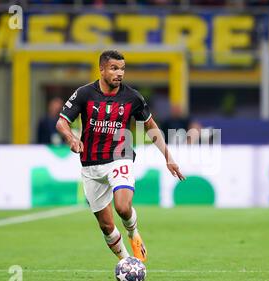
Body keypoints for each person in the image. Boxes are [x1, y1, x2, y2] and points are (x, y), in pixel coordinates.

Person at [56, 50, 185, 262]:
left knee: (123, 208)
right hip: (91, 165)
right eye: (114, 68)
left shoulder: (132, 97)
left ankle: (133, 232)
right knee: (107, 226)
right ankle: (127, 261)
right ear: (102, 69)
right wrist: (71, 138)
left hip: (120, 156)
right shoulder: (84, 94)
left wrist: (168, 157)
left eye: (122, 69)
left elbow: (151, 127)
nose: (119, 73)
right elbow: (62, 122)